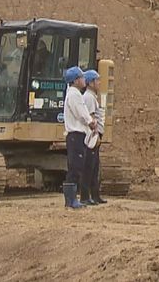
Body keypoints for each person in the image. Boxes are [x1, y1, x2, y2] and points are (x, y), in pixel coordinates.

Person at [63, 66, 96, 210]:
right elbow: (81, 112)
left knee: (76, 166)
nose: (84, 80)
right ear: (76, 80)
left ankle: (71, 199)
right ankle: (71, 200)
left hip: (75, 135)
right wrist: (90, 122)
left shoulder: (72, 93)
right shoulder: (75, 95)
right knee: (75, 167)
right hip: (76, 134)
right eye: (82, 77)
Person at [80, 69, 107, 206]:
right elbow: (90, 118)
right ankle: (86, 196)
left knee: (94, 166)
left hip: (95, 135)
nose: (99, 83)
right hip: (92, 136)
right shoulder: (89, 98)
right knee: (89, 166)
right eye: (97, 80)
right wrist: (96, 134)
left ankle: (95, 195)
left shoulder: (92, 96)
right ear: (90, 82)